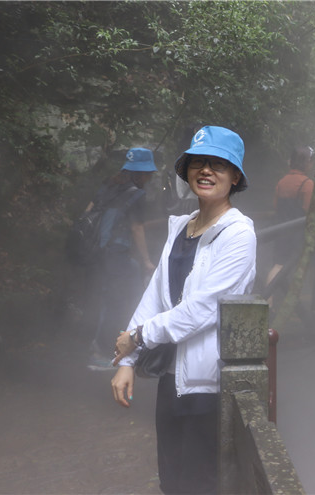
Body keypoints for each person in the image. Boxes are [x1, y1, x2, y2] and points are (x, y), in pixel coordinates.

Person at [110, 126, 256, 494]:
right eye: (198, 162)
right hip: (171, 378)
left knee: (200, 483)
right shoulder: (180, 228)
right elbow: (154, 297)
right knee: (171, 480)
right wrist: (128, 360)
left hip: (209, 384)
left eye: (218, 164)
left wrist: (139, 336)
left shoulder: (239, 234)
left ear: (235, 176)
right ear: (187, 171)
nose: (205, 170)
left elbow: (203, 308)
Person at [88, 148, 157, 368]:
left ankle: (114, 346)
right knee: (119, 300)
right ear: (141, 174)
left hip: (96, 251)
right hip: (116, 254)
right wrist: (147, 261)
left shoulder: (108, 185)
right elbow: (137, 228)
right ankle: (102, 352)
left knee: (106, 296)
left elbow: (89, 212)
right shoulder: (136, 194)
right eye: (149, 174)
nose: (150, 178)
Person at [265, 145, 315, 306]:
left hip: (281, 229)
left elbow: (276, 205)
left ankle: (269, 302)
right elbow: (309, 210)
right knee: (301, 264)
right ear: (307, 163)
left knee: (278, 265)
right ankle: (304, 305)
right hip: (298, 232)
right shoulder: (307, 184)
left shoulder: (282, 182)